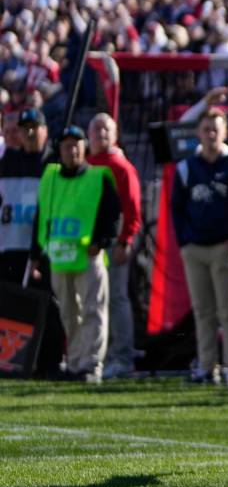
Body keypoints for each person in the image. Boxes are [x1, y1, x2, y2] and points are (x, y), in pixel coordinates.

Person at [173, 109, 228, 389]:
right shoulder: (186, 167)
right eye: (205, 129)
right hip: (195, 248)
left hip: (224, 247)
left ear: (224, 132)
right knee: (202, 311)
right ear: (198, 132)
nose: (210, 135)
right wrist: (184, 242)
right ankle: (207, 366)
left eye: (215, 129)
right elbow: (177, 209)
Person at [35, 126, 120, 383]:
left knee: (93, 310)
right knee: (68, 314)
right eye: (66, 145)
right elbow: (43, 215)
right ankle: (73, 362)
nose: (71, 150)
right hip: (60, 257)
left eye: (76, 145)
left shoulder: (98, 177)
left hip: (88, 255)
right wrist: (39, 252)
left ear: (84, 148)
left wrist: (101, 241)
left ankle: (91, 365)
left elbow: (113, 214)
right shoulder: (50, 177)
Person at [86, 113, 142, 379]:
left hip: (113, 241)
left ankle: (122, 356)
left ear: (115, 134)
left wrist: (125, 240)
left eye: (105, 129)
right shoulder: (86, 163)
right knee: (94, 300)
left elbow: (132, 209)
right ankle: (99, 355)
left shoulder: (120, 167)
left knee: (116, 298)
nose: (101, 134)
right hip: (89, 242)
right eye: (96, 129)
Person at [0, 109, 51, 284]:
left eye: (34, 127)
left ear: (45, 130)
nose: (29, 133)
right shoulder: (6, 162)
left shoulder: (53, 164)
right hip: (8, 249)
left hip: (42, 253)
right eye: (24, 128)